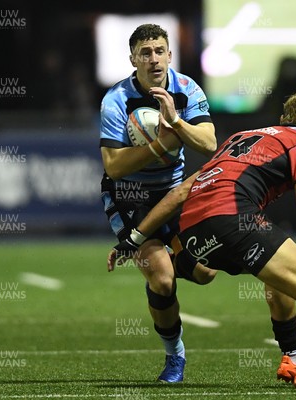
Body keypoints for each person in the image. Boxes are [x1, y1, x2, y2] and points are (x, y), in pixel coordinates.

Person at [108, 91, 296, 389]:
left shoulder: (240, 137)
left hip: (193, 231)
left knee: (275, 273)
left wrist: (134, 238)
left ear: (285, 118)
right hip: (232, 219)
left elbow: (180, 193)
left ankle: (292, 357)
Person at [99, 23, 216, 383]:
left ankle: (165, 256)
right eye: (145, 53)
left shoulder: (186, 89)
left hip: (173, 191)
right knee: (163, 281)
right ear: (133, 59)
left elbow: (209, 144)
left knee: (205, 272)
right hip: (129, 196)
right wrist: (159, 145)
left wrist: (176, 124)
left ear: (169, 54)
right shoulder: (116, 100)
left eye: (159, 51)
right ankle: (174, 356)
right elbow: (114, 166)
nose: (154, 59)